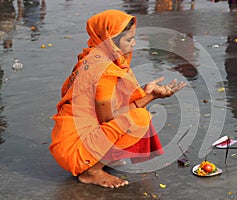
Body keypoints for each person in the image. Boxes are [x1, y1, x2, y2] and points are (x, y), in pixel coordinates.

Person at [49, 10, 186, 188]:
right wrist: (151, 97)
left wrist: (146, 92)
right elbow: (109, 119)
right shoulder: (104, 70)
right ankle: (91, 171)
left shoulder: (94, 57)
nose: (134, 43)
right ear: (112, 41)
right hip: (73, 149)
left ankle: (97, 160)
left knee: (136, 114)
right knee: (139, 118)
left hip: (71, 140)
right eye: (129, 39)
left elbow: (108, 105)